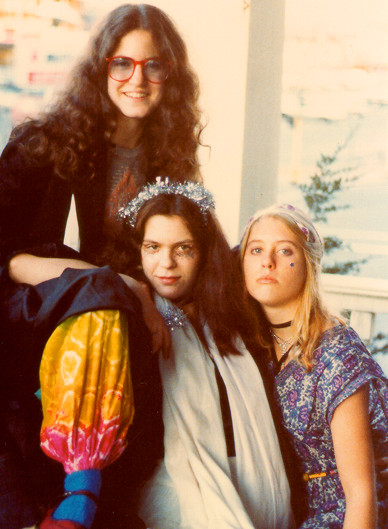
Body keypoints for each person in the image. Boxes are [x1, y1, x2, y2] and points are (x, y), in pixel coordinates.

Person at [0, 4, 203, 528]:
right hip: (37, 307)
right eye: (123, 64)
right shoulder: (41, 144)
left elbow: (187, 248)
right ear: (101, 69)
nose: (138, 79)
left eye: (154, 65)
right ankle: (79, 490)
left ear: (170, 75)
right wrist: (114, 284)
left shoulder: (170, 160)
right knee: (102, 301)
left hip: (127, 325)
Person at [115, 179, 294, 529]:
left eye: (183, 248)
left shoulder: (231, 311)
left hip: (256, 478)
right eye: (152, 247)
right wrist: (134, 288)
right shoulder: (135, 313)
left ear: (204, 251)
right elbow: (26, 268)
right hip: (176, 486)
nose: (166, 263)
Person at [240, 203, 388, 529]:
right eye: (256, 250)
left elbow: (361, 494)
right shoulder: (254, 341)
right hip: (280, 508)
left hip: (335, 513)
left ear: (308, 263)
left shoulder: (336, 355)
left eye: (284, 250)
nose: (267, 261)